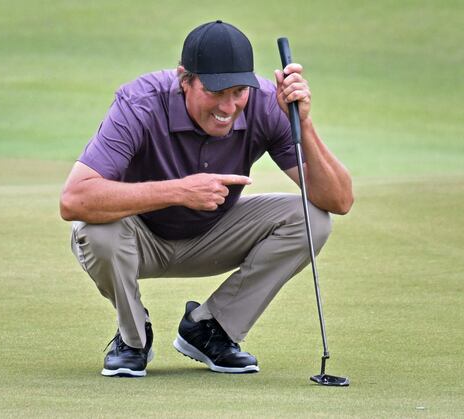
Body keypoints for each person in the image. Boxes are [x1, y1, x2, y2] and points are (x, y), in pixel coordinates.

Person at [60, 20, 353, 377]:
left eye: (238, 92)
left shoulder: (264, 103)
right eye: (215, 91)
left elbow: (338, 200)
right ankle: (133, 338)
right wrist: (179, 190)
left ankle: (211, 329)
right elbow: (74, 199)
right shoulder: (139, 103)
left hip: (216, 234)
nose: (228, 106)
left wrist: (302, 123)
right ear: (184, 79)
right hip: (137, 239)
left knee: (312, 220)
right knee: (95, 231)